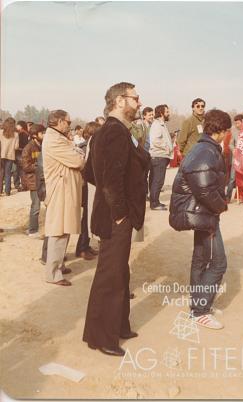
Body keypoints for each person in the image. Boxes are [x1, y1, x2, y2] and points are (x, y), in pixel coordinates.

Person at [83, 82, 150, 356]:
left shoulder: (115, 131)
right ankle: (102, 338)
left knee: (119, 271)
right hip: (115, 216)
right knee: (110, 275)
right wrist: (121, 212)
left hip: (114, 213)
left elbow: (89, 173)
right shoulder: (113, 132)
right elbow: (108, 180)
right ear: (120, 101)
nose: (139, 101)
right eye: (135, 97)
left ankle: (118, 326)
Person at [169, 109, 231, 329]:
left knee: (201, 258)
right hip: (204, 214)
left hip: (201, 214)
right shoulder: (207, 150)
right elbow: (204, 188)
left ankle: (198, 304)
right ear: (222, 131)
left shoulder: (203, 147)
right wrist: (221, 206)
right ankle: (200, 310)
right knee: (218, 263)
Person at [42, 110, 85, 286]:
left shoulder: (59, 138)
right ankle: (53, 274)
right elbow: (78, 161)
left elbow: (77, 156)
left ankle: (59, 264)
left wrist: (78, 154)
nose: (70, 124)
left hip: (66, 190)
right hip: (60, 191)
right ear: (59, 122)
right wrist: (79, 155)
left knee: (64, 229)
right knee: (58, 231)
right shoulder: (53, 140)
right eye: (68, 122)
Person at [75, 121, 100, 260]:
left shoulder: (91, 144)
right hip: (87, 187)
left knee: (88, 218)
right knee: (86, 219)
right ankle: (82, 248)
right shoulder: (85, 146)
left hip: (89, 186)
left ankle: (85, 245)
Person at [21, 124, 45, 238]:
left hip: (42, 180)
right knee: (36, 206)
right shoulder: (28, 148)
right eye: (42, 133)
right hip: (33, 181)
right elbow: (25, 166)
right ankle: (32, 230)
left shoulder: (43, 146)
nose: (44, 135)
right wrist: (39, 167)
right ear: (35, 135)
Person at [149, 104, 173, 210]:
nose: (169, 114)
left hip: (160, 156)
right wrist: (167, 147)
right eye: (167, 112)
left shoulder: (161, 124)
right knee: (158, 181)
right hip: (159, 156)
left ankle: (155, 201)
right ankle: (154, 204)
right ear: (162, 113)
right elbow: (155, 140)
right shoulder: (157, 125)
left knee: (157, 180)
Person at [0, 117, 19, 196]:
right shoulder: (16, 134)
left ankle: (0, 191)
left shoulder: (0, 132)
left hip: (1, 155)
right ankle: (7, 191)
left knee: (1, 173)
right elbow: (16, 147)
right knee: (8, 174)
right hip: (10, 156)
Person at [14, 120, 29, 191]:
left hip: (20, 154)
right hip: (22, 153)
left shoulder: (22, 134)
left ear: (21, 126)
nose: (16, 126)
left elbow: (23, 145)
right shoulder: (25, 133)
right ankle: (24, 185)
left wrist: (17, 148)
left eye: (18, 125)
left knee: (21, 170)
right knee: (21, 170)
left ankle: (24, 186)